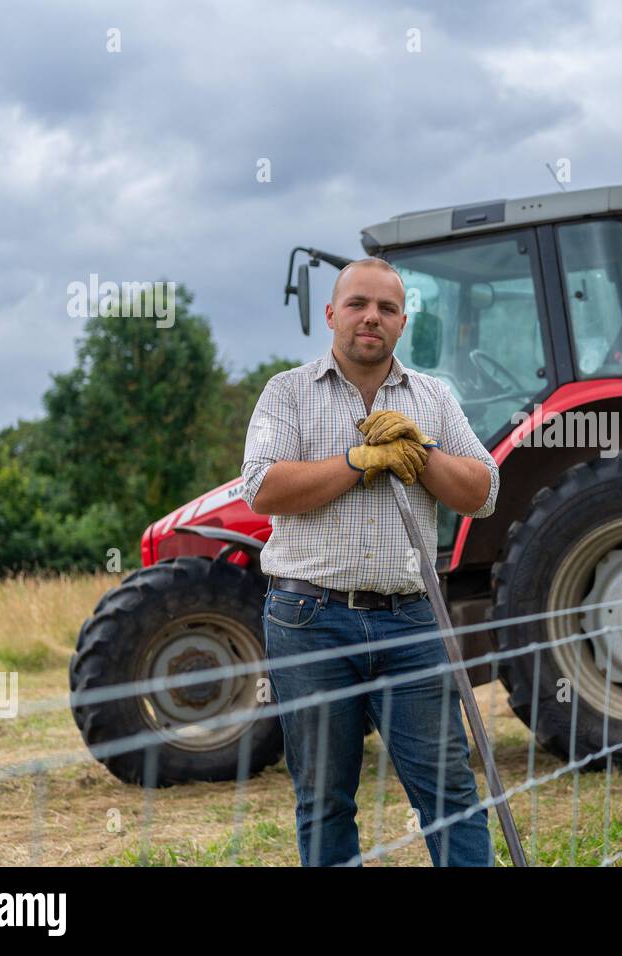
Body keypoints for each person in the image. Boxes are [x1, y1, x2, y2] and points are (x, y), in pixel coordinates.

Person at [241, 256, 499, 866]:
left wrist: (420, 451)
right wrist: (361, 461)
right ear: (332, 315)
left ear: (402, 323)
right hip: (308, 618)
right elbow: (262, 488)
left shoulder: (432, 398)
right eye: (357, 304)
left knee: (449, 790)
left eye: (385, 308)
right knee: (325, 796)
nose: (370, 318)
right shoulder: (287, 393)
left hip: (410, 621)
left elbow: (484, 492)